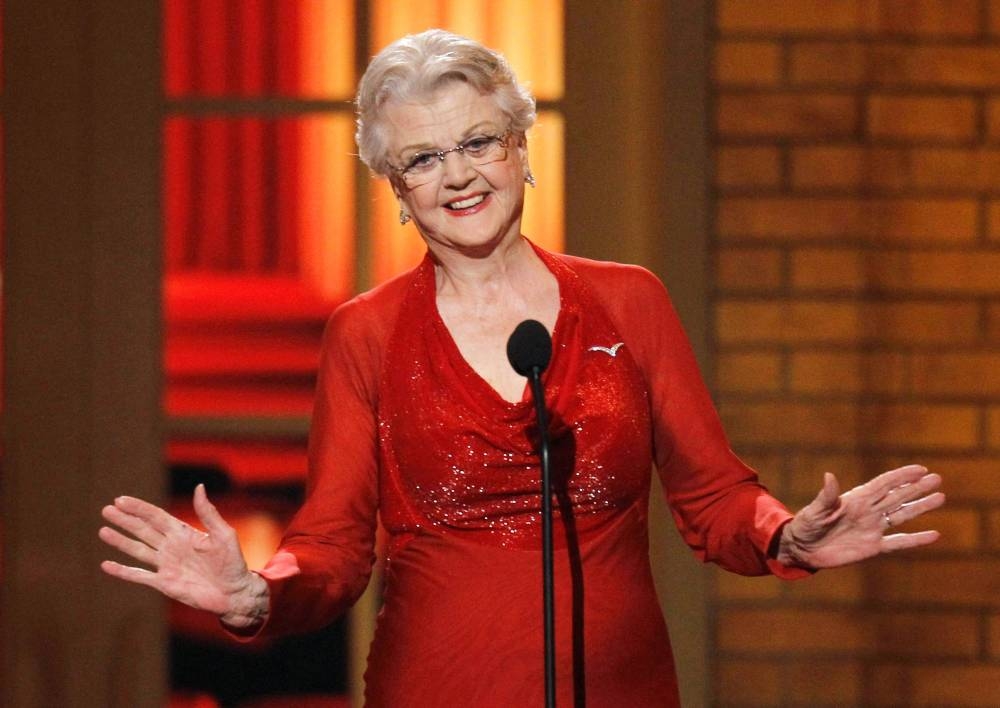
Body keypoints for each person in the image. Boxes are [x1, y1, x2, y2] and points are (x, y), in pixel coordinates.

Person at [99, 29, 945, 706]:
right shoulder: (366, 332)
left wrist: (786, 534)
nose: (458, 175)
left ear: (520, 149)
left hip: (620, 690)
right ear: (396, 189)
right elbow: (332, 547)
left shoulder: (631, 302)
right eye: (423, 160)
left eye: (478, 142)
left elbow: (715, 498)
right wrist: (258, 595)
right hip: (437, 688)